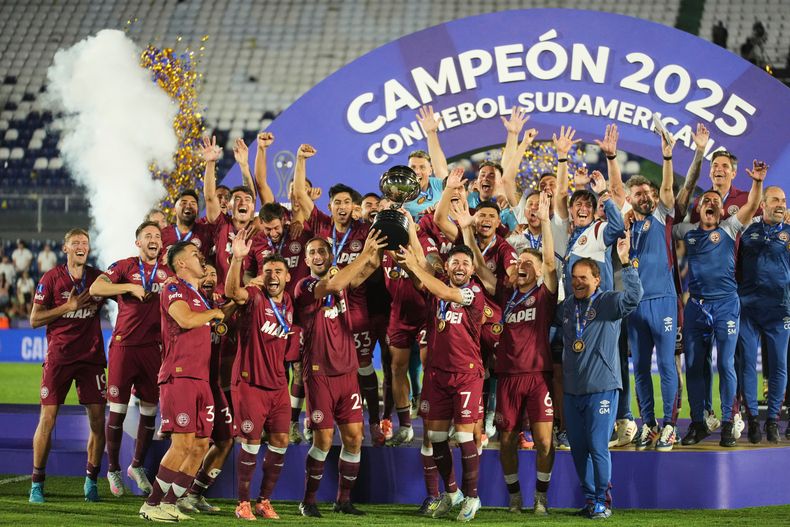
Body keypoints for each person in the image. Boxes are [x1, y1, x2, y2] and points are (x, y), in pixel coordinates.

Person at [293, 143, 385, 445]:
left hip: (354, 310)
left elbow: (375, 260)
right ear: (330, 206)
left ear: (353, 206)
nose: (342, 206)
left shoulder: (362, 230)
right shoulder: (320, 224)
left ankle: (374, 421)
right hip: (319, 310)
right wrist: (301, 160)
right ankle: (307, 421)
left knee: (362, 366)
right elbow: (299, 195)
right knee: (313, 367)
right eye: (337, 202)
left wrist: (352, 278)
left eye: (347, 202)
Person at [472, 191, 558, 514]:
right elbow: (481, 270)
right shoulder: (505, 291)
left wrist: (546, 223)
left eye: (528, 263)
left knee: (544, 441)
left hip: (537, 376)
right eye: (519, 261)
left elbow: (549, 262)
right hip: (506, 376)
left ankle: (541, 497)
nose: (522, 264)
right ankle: (514, 496)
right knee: (506, 439)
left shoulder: (545, 295)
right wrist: (468, 228)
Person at [674, 160, 766, 447]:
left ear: (722, 210)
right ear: (699, 209)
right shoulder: (686, 231)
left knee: (726, 364)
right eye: (706, 201)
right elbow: (661, 222)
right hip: (697, 306)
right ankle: (699, 423)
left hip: (726, 304)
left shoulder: (729, 228)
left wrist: (758, 182)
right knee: (694, 366)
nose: (711, 202)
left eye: (715, 200)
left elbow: (751, 206)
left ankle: (728, 422)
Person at [295, 231, 386, 517]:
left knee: (354, 437)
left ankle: (343, 500)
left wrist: (379, 247)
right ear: (306, 259)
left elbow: (368, 269)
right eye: (313, 252)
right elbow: (334, 283)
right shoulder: (305, 285)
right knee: (322, 440)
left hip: (347, 372)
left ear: (331, 254)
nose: (318, 256)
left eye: (323, 251)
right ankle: (308, 500)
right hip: (320, 373)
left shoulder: (344, 281)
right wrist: (363, 254)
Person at [397, 243, 487, 522]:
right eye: (455, 262)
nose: (460, 267)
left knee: (462, 436)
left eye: (465, 263)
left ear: (472, 270)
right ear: (446, 266)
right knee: (435, 439)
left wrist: (414, 266)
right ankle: (452, 495)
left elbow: (443, 290)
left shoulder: (474, 292)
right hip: (437, 375)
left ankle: (472, 497)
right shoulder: (436, 291)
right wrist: (411, 231)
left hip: (466, 374)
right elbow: (424, 270)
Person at [138, 242, 226, 522]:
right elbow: (184, 319)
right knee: (182, 445)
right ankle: (151, 505)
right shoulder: (173, 288)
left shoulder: (198, 295)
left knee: (200, 445)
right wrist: (213, 314)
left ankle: (170, 502)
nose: (200, 257)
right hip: (180, 376)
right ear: (181, 264)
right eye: (193, 254)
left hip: (201, 379)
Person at [560, 237, 643, 519]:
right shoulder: (567, 307)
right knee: (578, 449)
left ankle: (602, 500)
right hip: (572, 390)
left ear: (597, 279)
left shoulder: (609, 302)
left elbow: (634, 297)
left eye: (583, 278)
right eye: (574, 278)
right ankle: (589, 498)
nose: (577, 283)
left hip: (602, 388)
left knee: (597, 446)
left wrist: (626, 262)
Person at [89, 221, 171, 496]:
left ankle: (136, 466)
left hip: (154, 350)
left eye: (157, 236)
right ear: (138, 242)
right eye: (148, 235)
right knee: (118, 411)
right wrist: (128, 288)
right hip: (124, 348)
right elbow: (96, 289)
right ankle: (113, 469)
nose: (153, 239)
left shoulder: (167, 272)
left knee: (150, 412)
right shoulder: (124, 266)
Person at [28, 228, 106, 504]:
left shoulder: (97, 278)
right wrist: (67, 306)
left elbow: (119, 292)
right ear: (66, 249)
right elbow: (34, 320)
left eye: (85, 242)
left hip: (92, 358)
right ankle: (37, 483)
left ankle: (91, 480)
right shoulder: (51, 279)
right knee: (47, 419)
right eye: (76, 243)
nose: (81, 246)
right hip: (59, 357)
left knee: (98, 422)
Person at [226, 234, 297, 520]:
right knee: (251, 444)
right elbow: (233, 292)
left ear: (288, 276)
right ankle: (242, 503)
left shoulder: (289, 302)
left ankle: (264, 501)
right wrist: (237, 258)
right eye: (267, 271)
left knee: (281, 441)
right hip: (250, 383)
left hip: (279, 385)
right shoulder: (255, 297)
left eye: (278, 271)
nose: (272, 275)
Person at [626, 132, 680, 451]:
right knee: (641, 368)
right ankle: (648, 424)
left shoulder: (660, 216)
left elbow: (670, 188)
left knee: (668, 365)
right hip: (635, 306)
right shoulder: (625, 229)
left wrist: (667, 158)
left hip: (663, 302)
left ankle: (670, 426)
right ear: (631, 199)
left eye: (648, 192)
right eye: (638, 194)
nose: (644, 197)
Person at [737, 185, 788, 443]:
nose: (781, 204)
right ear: (763, 204)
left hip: (779, 310)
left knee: (779, 364)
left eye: (784, 200)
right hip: (747, 309)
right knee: (747, 363)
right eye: (775, 199)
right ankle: (753, 420)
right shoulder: (747, 230)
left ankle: (773, 421)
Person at [160, 189, 217, 262]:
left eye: (193, 204)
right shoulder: (163, 234)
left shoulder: (206, 232)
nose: (188, 206)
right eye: (184, 203)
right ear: (174, 210)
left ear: (197, 210)